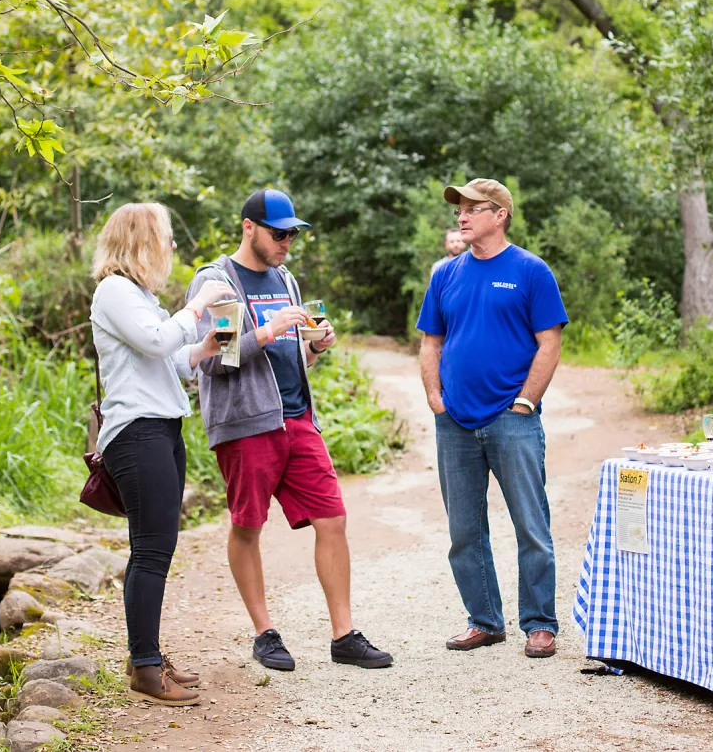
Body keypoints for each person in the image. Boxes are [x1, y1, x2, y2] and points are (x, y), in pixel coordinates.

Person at [185, 189, 393, 672]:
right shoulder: (217, 281)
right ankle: (265, 633)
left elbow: (290, 357)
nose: (286, 244)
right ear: (248, 228)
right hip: (245, 425)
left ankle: (343, 635)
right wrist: (270, 329)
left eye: (292, 235)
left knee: (332, 518)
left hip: (297, 419)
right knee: (247, 524)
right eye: (279, 235)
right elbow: (215, 361)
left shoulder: (285, 279)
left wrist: (315, 347)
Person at [416, 178, 569, 659]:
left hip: (512, 419)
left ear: (499, 214)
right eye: (458, 209)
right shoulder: (445, 273)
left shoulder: (530, 271)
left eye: (472, 209)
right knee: (464, 530)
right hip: (455, 422)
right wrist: (435, 397)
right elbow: (431, 342)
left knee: (531, 524)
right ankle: (484, 621)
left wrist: (525, 401)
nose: (461, 216)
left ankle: (540, 623)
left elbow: (550, 342)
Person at [90, 203, 234, 705]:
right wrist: (197, 307)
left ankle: (144, 654)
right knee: (151, 551)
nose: (173, 247)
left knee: (156, 548)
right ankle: (145, 667)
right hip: (137, 432)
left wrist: (206, 346)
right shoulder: (113, 291)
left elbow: (174, 360)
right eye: (167, 237)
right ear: (143, 240)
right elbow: (155, 342)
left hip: (164, 427)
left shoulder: (141, 296)